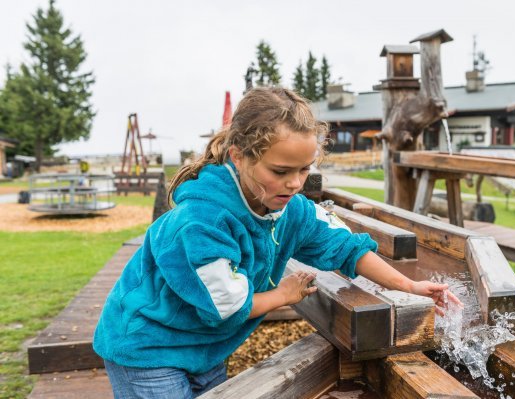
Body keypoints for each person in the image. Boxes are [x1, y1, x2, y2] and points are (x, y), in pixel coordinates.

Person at [93, 87, 461, 398]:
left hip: (203, 346)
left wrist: (409, 285)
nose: (295, 184)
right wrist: (284, 295)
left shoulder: (291, 210)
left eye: (305, 170)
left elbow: (345, 246)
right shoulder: (203, 223)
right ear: (239, 156)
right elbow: (225, 306)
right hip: (148, 345)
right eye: (280, 172)